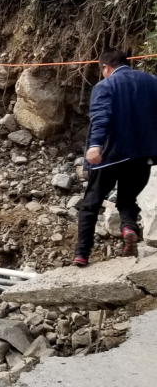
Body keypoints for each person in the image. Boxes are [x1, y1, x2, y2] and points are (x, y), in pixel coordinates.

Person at [72, 49, 157, 266]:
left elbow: (101, 117)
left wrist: (94, 146)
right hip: (142, 155)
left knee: (91, 203)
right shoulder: (151, 81)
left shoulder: (105, 86)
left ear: (105, 68)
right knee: (127, 198)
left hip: (109, 156)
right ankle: (128, 227)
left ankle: (82, 253)